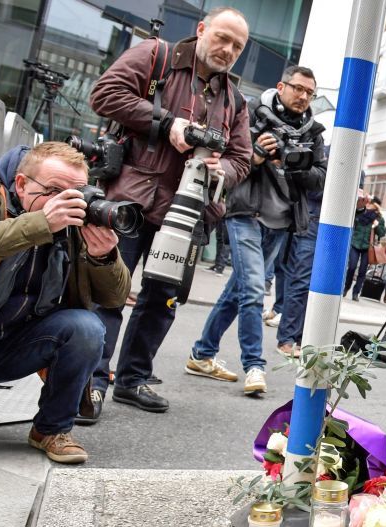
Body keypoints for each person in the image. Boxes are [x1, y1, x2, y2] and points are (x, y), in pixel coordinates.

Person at [87, 6, 252, 416]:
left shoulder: (235, 100)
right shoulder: (156, 55)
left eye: (237, 46)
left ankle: (132, 379)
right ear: (202, 29)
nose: (228, 50)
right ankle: (89, 382)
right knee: (108, 293)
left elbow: (242, 159)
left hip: (187, 212)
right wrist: (166, 124)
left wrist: (223, 169)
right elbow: (104, 94)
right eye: (222, 38)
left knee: (162, 301)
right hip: (131, 202)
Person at [185, 65, 327, 395]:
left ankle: (202, 354)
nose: (303, 96)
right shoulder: (250, 114)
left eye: (309, 92)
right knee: (252, 290)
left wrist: (291, 165)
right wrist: (257, 155)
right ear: (281, 86)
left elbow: (320, 178)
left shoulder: (313, 132)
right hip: (246, 213)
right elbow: (228, 161)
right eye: (298, 88)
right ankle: (254, 365)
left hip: (280, 223)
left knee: (236, 292)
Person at [0, 142, 129, 461]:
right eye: (54, 190)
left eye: (76, 193)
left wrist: (104, 257)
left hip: (11, 348)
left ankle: (51, 430)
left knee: (86, 328)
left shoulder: (76, 222)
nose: (66, 202)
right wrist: (40, 224)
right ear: (21, 184)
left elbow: (114, 297)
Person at [276, 187, 323, 356]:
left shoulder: (358, 173)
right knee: (301, 282)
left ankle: (303, 338)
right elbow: (306, 187)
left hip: (334, 230)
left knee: (318, 287)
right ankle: (287, 339)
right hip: (310, 222)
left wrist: (359, 206)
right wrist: (340, 191)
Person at [343, 194, 384, 301]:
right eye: (368, 203)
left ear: (375, 206)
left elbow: (382, 233)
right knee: (352, 267)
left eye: (371, 203)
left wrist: (376, 225)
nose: (368, 204)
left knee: (362, 271)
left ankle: (356, 293)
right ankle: (346, 287)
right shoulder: (360, 212)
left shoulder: (379, 218)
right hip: (355, 243)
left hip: (368, 247)